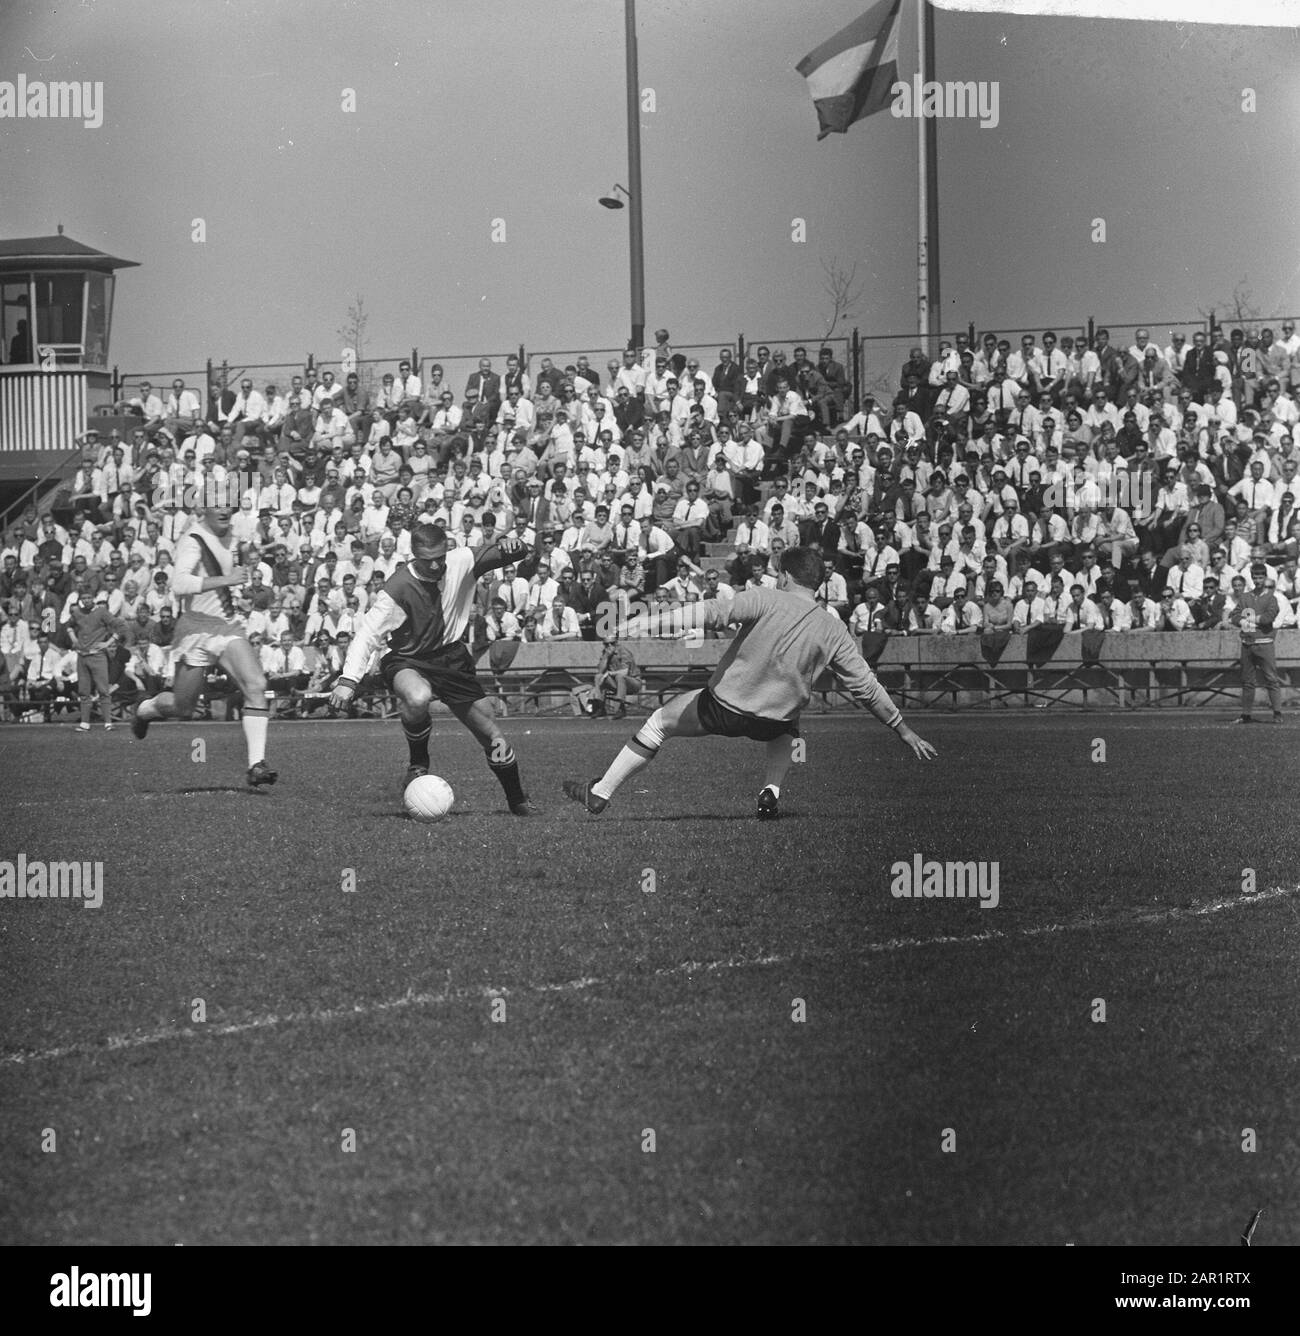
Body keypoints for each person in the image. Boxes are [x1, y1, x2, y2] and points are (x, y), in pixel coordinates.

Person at [563, 546, 936, 820]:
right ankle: (770, 792)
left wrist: (645, 622)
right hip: (773, 719)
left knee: (659, 722)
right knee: (788, 724)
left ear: (786, 576)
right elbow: (867, 688)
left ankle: (600, 792)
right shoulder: (834, 628)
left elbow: (710, 612)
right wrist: (903, 731)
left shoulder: (765, 597)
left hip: (723, 707)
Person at [329, 522, 536, 814]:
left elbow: (509, 553)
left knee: (491, 735)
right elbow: (366, 635)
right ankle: (418, 764)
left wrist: (518, 547)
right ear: (414, 554)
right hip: (407, 659)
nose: (437, 564)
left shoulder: (462, 559)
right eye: (428, 560)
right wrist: (348, 680)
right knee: (417, 696)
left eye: (441, 556)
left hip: (452, 658)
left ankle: (518, 801)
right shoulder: (397, 588)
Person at [130, 495, 279, 788]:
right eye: (218, 504)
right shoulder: (192, 539)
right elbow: (179, 584)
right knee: (182, 707)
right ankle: (144, 710)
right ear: (204, 509)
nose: (225, 509)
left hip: (226, 627)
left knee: (257, 685)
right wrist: (228, 581)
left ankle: (256, 765)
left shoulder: (234, 534)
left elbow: (232, 564)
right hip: (195, 631)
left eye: (228, 504)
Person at [1229, 561, 1285, 724]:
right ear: (1251, 578)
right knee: (1247, 681)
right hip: (1247, 643)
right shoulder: (1245, 597)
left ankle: (1277, 712)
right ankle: (1246, 714)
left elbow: (1268, 618)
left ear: (1265, 578)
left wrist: (1249, 619)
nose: (1258, 580)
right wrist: (1242, 622)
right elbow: (1234, 615)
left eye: (1260, 577)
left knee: (1271, 679)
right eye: (1255, 577)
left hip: (1265, 643)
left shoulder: (1271, 598)